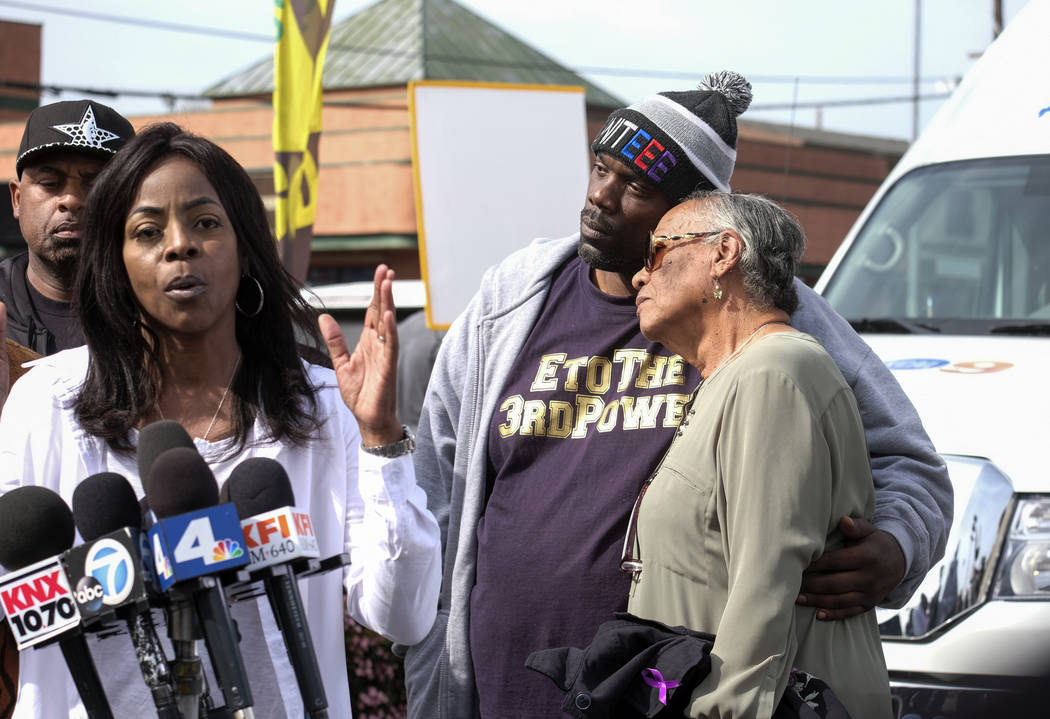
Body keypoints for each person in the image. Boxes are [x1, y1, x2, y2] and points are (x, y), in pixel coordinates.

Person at [404, 71, 952, 719]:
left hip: (664, 697)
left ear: (692, 213)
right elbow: (436, 483)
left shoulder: (761, 308)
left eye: (634, 184)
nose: (600, 196)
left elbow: (907, 460)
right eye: (600, 168)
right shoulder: (512, 297)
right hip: (499, 687)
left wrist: (896, 544)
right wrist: (431, 642)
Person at [0, 123, 441, 719]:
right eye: (148, 231)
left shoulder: (323, 406)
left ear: (246, 249)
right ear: (116, 262)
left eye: (206, 223)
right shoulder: (46, 402)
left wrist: (381, 440)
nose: (179, 246)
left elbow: (404, 616)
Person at [623, 191, 891, 718]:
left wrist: (722, 710)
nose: (639, 276)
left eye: (656, 253)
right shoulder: (738, 375)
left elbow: (764, 582)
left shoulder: (774, 370)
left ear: (724, 253)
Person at [2, 99, 135, 355]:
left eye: (97, 185)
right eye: (50, 182)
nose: (71, 200)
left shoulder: (162, 312)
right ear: (17, 199)